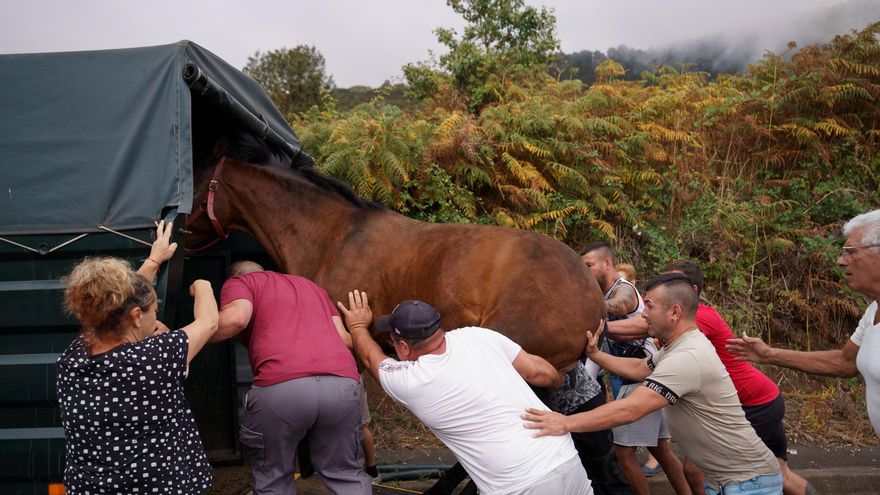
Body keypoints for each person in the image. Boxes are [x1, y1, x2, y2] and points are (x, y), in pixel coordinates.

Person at [523, 273, 783, 495]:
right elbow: (639, 369)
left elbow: (631, 409)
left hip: (748, 482)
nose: (643, 314)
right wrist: (596, 355)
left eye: (649, 306)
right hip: (728, 480)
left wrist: (565, 423)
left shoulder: (687, 356)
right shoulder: (677, 347)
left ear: (674, 312)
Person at [337, 291, 594, 495]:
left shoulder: (410, 380)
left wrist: (358, 326)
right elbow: (538, 372)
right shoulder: (478, 336)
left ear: (403, 347)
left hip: (517, 485)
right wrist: (558, 382)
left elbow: (372, 359)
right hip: (564, 458)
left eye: (394, 341)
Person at [57, 220, 219, 493]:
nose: (155, 318)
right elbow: (209, 321)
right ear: (135, 317)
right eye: (154, 311)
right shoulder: (157, 355)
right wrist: (202, 284)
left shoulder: (73, 357)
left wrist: (154, 260)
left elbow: (115, 303)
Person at [213, 261, 370, 495]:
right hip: (342, 383)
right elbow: (345, 339)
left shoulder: (240, 282)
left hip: (282, 386)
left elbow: (236, 319)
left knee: (273, 476)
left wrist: (186, 339)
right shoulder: (311, 287)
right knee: (345, 473)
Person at [660, 260, 813, 495]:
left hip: (756, 402)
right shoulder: (677, 317)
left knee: (696, 468)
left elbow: (643, 327)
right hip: (753, 401)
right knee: (779, 474)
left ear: (693, 291)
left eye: (672, 282)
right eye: (663, 281)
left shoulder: (699, 317)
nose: (665, 287)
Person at [727, 209, 880, 439]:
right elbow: (844, 362)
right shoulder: (873, 311)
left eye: (850, 252)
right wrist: (768, 354)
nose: (840, 261)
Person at [580, 242, 689, 495]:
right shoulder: (602, 294)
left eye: (588, 266)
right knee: (661, 449)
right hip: (642, 374)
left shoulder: (623, 289)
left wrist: (581, 305)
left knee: (623, 453)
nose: (584, 272)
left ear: (607, 263)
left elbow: (619, 305)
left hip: (641, 376)